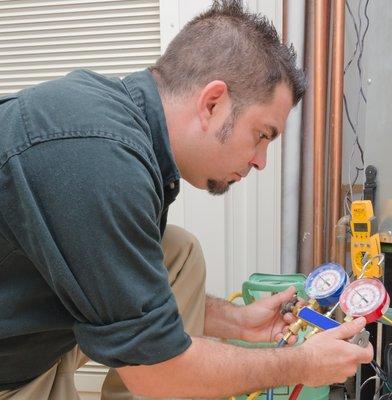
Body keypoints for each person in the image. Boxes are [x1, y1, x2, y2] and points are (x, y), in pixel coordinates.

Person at [0, 1, 373, 399]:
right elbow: (160, 371)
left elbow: (130, 291)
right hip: (12, 367)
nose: (261, 161)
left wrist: (238, 322)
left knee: (178, 253)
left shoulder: (123, 130)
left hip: (30, 319)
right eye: (262, 135)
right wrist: (302, 362)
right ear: (213, 103)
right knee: (161, 368)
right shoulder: (98, 160)